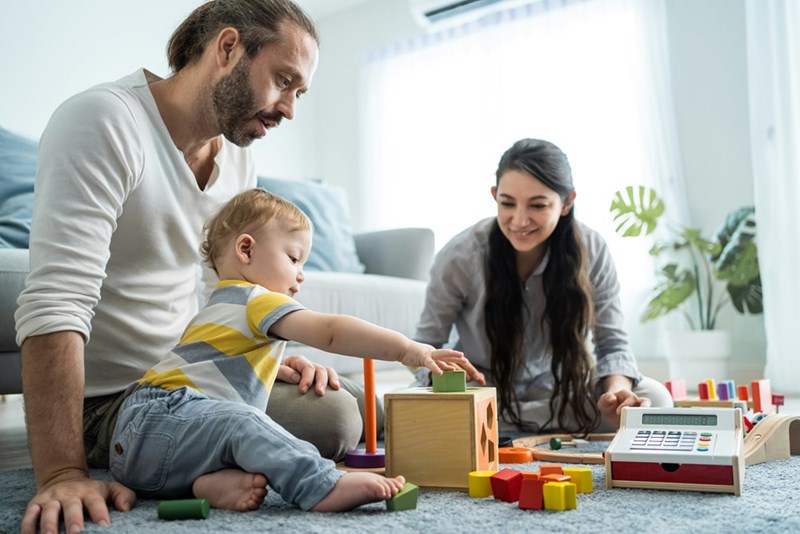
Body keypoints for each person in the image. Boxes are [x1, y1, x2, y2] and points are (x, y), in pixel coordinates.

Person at [15, 2, 363, 532]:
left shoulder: (237, 157)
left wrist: (260, 352)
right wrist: (63, 472)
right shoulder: (105, 120)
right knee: (331, 421)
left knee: (349, 405)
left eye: (299, 92)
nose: (290, 109)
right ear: (227, 49)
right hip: (115, 401)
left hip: (195, 375)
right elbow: (57, 300)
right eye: (283, 80)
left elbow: (225, 292)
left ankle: (200, 467)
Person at [108, 188, 477, 512]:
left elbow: (218, 369)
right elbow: (331, 333)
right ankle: (320, 484)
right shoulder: (255, 299)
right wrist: (406, 349)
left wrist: (277, 366)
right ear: (246, 249)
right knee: (248, 421)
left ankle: (206, 484)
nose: (301, 274)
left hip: (146, 444)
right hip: (160, 417)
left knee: (239, 427)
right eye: (293, 258)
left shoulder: (218, 306)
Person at [413, 138, 673, 435]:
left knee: (658, 400)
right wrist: (447, 374)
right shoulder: (460, 255)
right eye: (507, 203)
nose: (520, 220)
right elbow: (425, 345)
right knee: (418, 414)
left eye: (537, 205)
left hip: (564, 393)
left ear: (567, 202)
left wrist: (616, 396)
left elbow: (611, 343)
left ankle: (510, 428)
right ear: (494, 196)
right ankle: (508, 425)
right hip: (483, 396)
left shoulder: (593, 249)